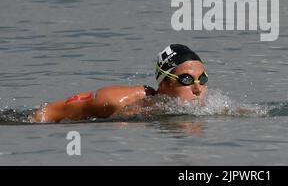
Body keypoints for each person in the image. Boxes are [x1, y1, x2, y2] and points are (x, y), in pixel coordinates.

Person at [31, 44, 208, 123]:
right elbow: (47, 114)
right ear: (165, 84)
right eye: (187, 80)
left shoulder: (204, 105)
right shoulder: (117, 101)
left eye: (203, 79)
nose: (198, 89)